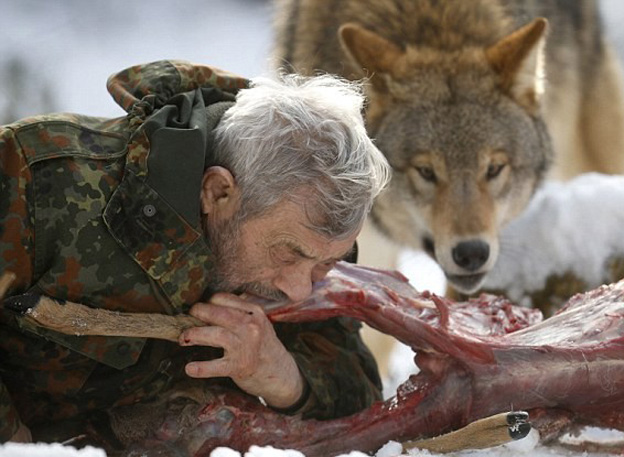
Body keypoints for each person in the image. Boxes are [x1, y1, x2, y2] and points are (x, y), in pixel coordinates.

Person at [0, 60, 391, 444]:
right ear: (217, 191)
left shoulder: (307, 233)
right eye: (287, 254)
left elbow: (359, 387)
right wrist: (12, 440)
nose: (300, 290)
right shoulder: (37, 175)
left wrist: (283, 376)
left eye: (326, 264)